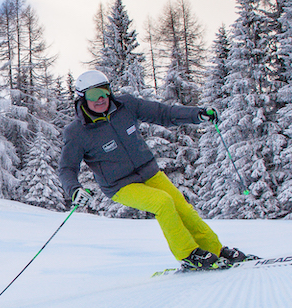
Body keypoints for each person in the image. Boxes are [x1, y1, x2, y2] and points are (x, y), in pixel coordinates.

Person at [58, 70, 255, 271]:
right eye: (93, 95)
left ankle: (215, 250)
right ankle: (188, 254)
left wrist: (197, 114)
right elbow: (67, 168)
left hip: (149, 172)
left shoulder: (126, 106)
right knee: (163, 203)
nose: (100, 99)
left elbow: (163, 113)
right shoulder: (77, 133)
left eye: (104, 92)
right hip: (120, 186)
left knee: (183, 209)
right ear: (82, 99)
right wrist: (74, 189)